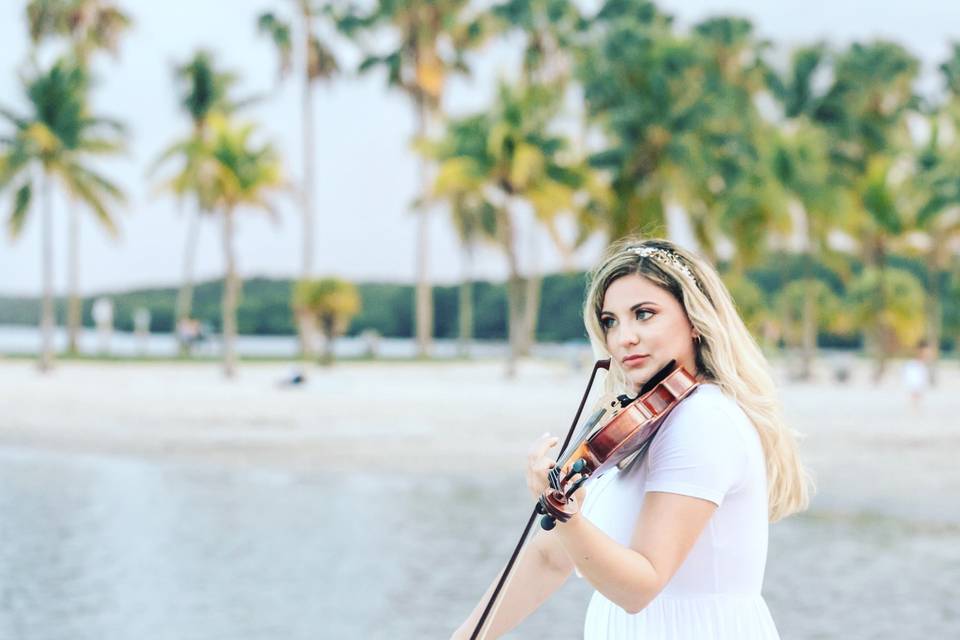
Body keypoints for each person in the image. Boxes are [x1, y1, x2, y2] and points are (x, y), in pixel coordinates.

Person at [452, 238, 811, 640]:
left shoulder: (704, 419)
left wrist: (565, 513)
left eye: (644, 314)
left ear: (694, 320)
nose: (624, 337)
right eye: (611, 321)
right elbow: (550, 557)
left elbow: (640, 586)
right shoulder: (637, 425)